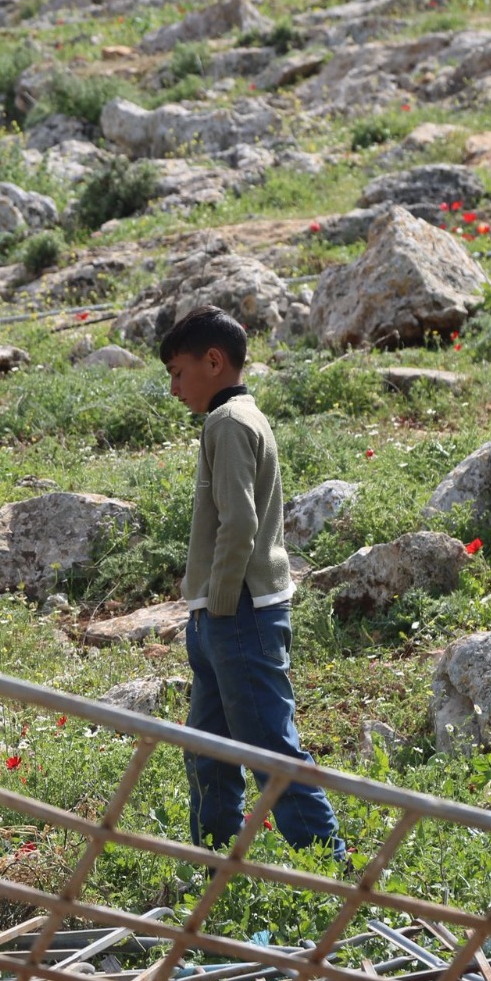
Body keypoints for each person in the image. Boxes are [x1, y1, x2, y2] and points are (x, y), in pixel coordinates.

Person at [159, 305, 347, 863]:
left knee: (269, 748)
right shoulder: (239, 418)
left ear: (214, 362)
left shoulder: (228, 423)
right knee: (208, 748)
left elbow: (238, 522)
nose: (173, 388)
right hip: (225, 614)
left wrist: (217, 602)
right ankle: (217, 860)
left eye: (178, 372)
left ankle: (332, 869)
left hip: (237, 613)